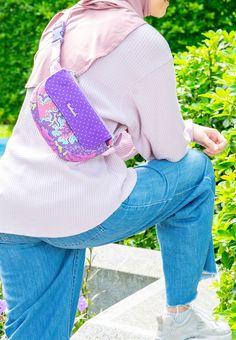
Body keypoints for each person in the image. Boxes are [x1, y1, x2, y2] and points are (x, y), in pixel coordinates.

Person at [0, 0, 231, 339]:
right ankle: (180, 321)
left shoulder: (63, 23)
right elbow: (168, 150)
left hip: (12, 206)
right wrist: (183, 136)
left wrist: (187, 128)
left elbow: (82, 120)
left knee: (36, 332)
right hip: (74, 209)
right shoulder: (143, 41)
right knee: (196, 171)